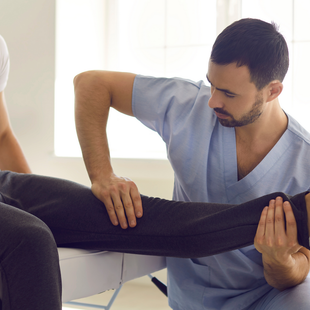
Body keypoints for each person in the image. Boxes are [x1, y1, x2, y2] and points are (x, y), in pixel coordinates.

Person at [73, 18, 310, 309]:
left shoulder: (304, 162)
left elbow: (300, 269)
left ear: (272, 91)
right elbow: (90, 83)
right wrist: (102, 174)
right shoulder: (186, 104)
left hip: (269, 296)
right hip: (195, 295)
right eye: (212, 85)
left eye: (229, 94)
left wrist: (280, 260)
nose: (213, 102)